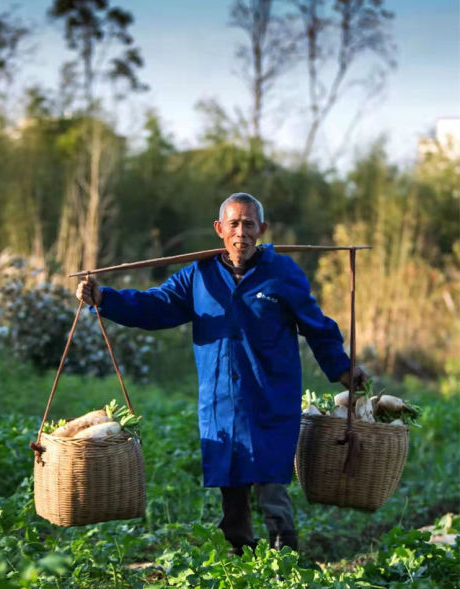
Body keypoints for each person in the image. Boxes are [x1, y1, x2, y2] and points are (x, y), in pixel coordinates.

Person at [76, 192, 367, 555]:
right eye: (233, 224)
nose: (241, 233)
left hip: (271, 396)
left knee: (271, 479)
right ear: (219, 229)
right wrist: (105, 299)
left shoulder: (282, 274)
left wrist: (342, 369)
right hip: (221, 399)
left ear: (262, 228)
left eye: (248, 224)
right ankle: (239, 551)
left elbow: (317, 325)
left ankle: (285, 553)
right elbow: (155, 305)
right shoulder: (200, 275)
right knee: (231, 479)